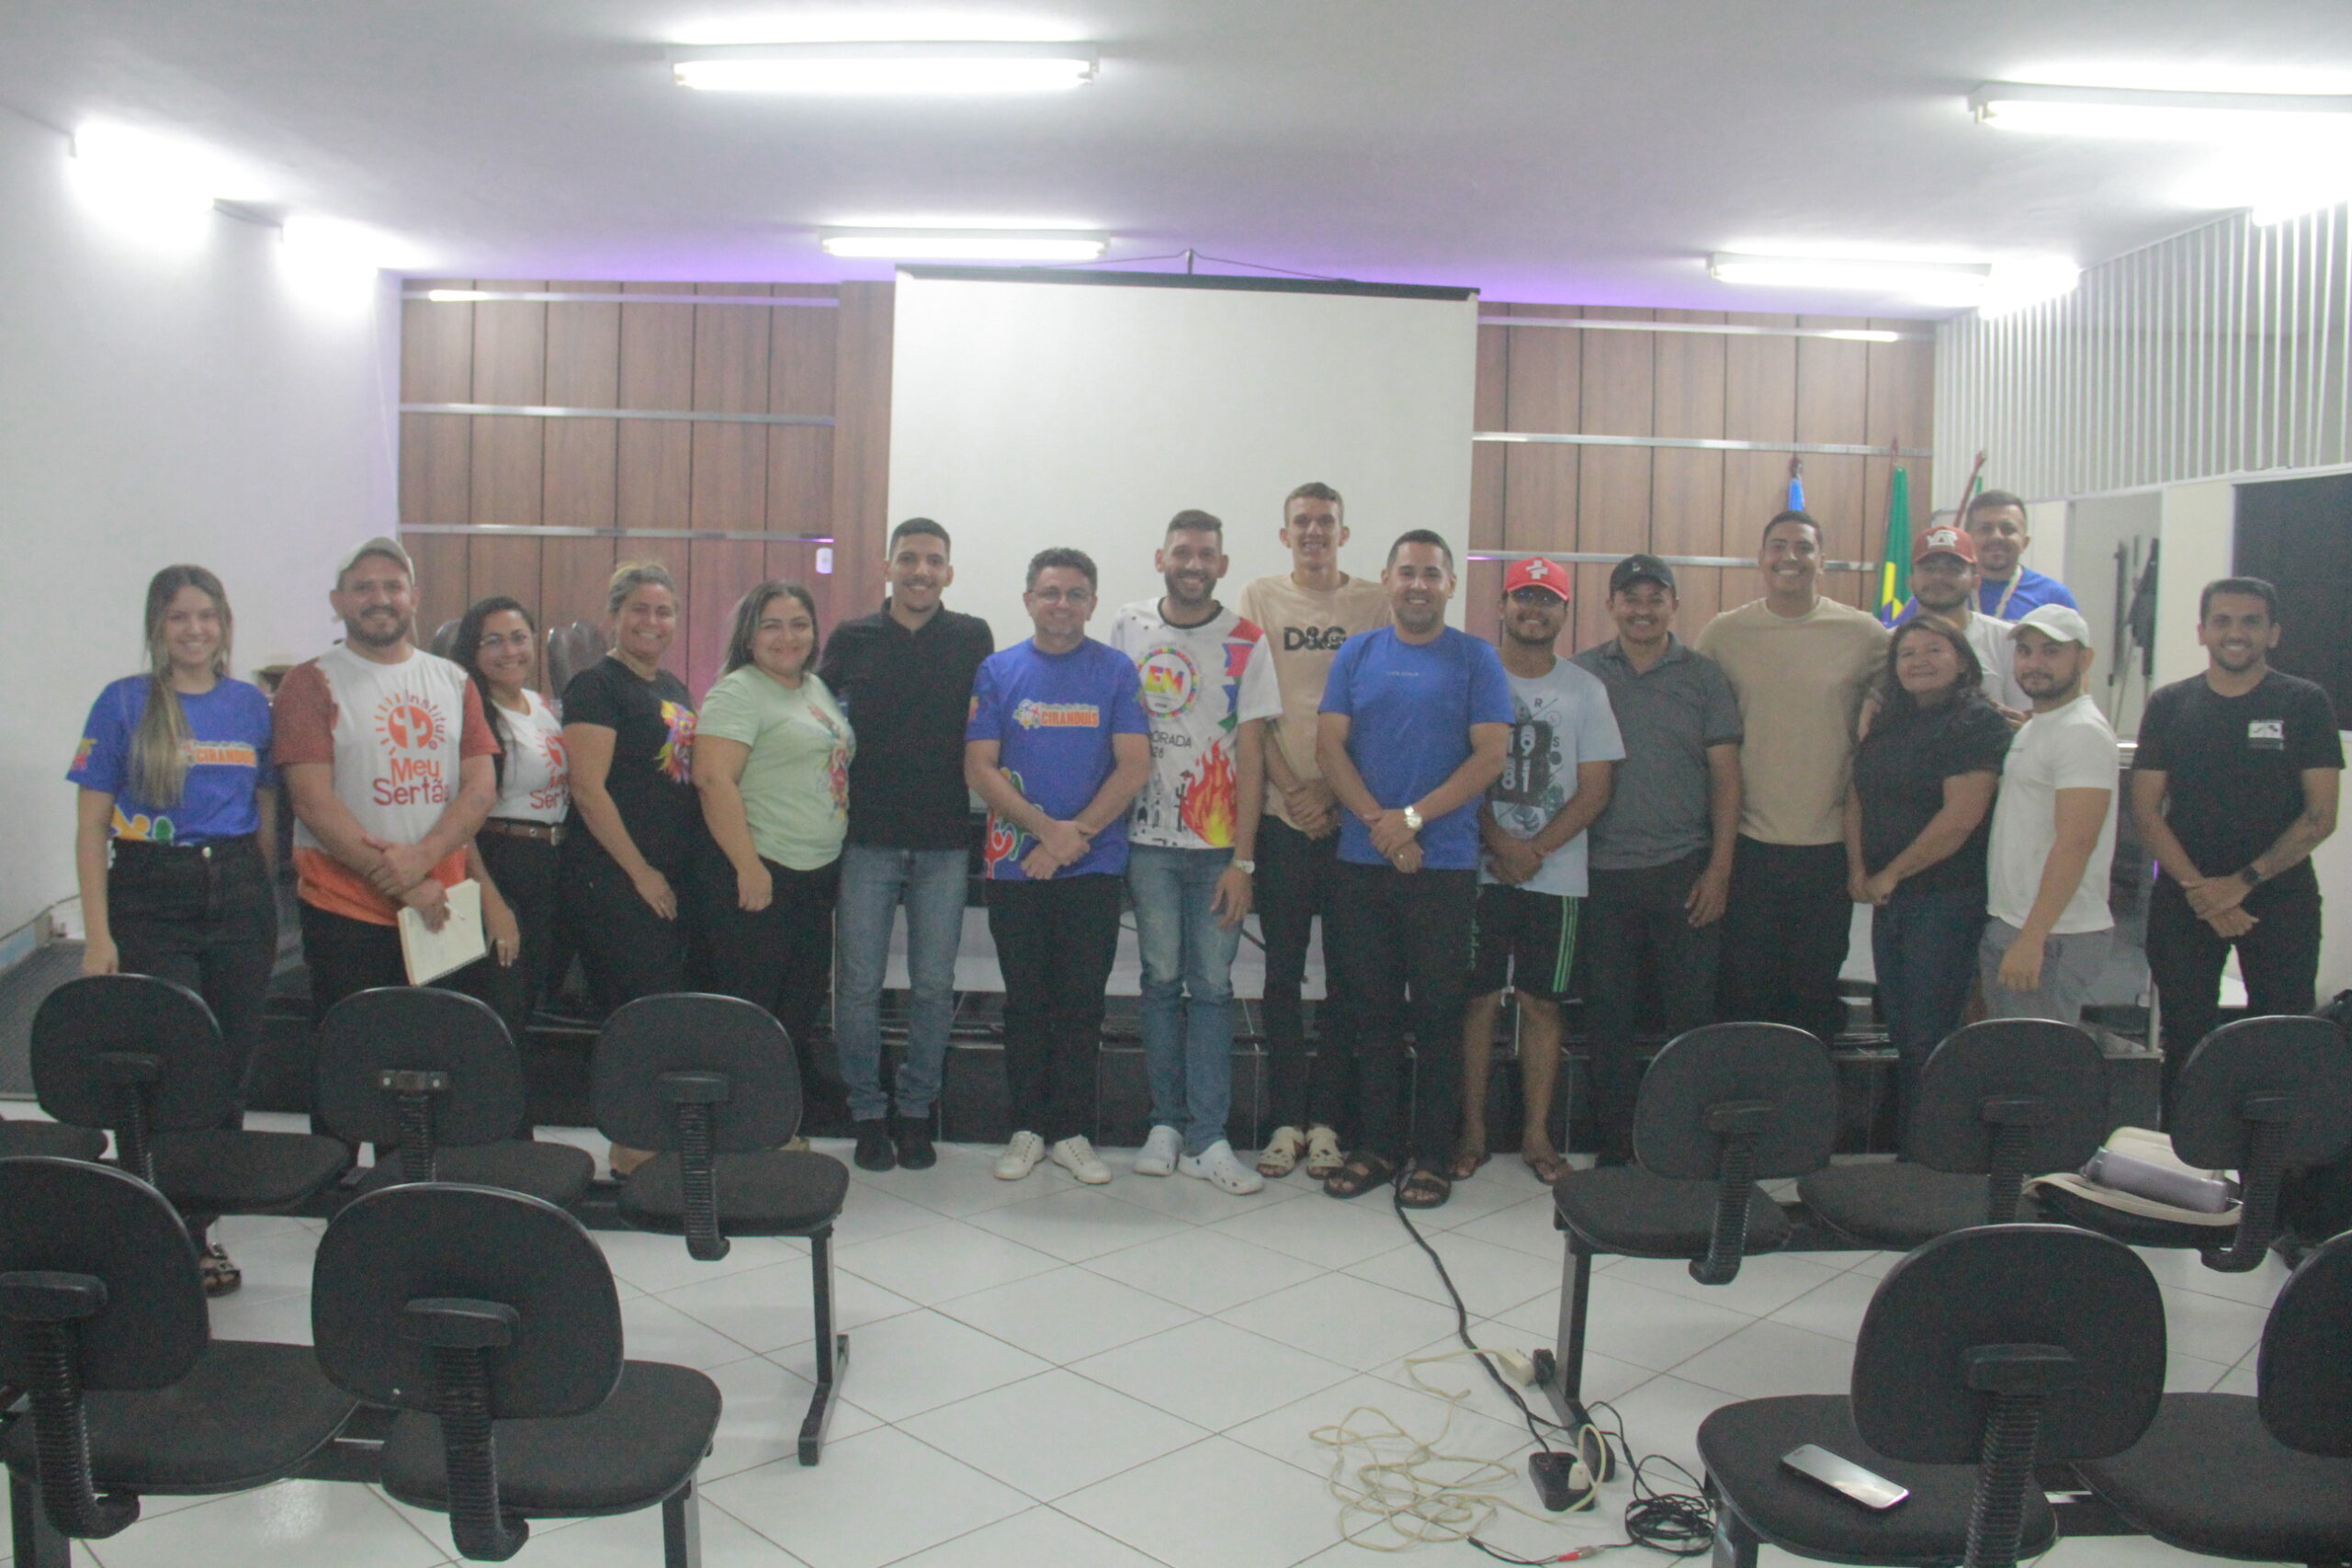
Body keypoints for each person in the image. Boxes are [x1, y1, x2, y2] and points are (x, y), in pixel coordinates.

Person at [70, 565, 278, 1294]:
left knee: (231, 1060)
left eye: (208, 617)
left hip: (241, 895)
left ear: (224, 624)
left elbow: (264, 814)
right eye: (179, 617)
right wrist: (98, 936)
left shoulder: (251, 704)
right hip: (151, 892)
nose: (195, 631)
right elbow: (92, 826)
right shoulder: (124, 702)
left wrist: (266, 900)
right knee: (176, 1059)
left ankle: (197, 1227)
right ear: (158, 625)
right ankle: (156, 1227)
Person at [1316, 530, 1511, 1209]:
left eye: (1432, 573)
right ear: (1387, 580)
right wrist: (1382, 824)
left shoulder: (1475, 659)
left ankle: (1431, 1153)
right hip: (1361, 864)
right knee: (1369, 1012)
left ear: (1451, 584)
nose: (1418, 584)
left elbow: (1489, 755)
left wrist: (1414, 820)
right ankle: (1377, 1144)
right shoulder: (1358, 653)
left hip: (1444, 864)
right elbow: (1329, 746)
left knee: (1436, 1013)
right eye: (1407, 572)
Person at [965, 547, 1150, 1185]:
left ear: (1092, 604)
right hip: (1015, 868)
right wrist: (1046, 832)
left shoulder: (1117, 671)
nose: (1061, 604)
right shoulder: (997, 670)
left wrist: (1078, 836)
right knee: (1026, 1000)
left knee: (1079, 1002)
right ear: (1028, 600)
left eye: (1075, 594)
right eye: (1049, 593)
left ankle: (1070, 1130)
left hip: (1093, 870)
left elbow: (1134, 764)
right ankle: (1025, 1127)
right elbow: (979, 766)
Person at [1111, 511, 1283, 1196]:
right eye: (1182, 551)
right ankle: (1166, 1124)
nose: (1192, 562)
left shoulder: (1246, 640)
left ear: (1222, 563)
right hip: (1146, 842)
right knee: (1157, 983)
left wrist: (1244, 860)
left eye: (1205, 553)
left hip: (1216, 849)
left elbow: (1252, 749)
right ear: (1161, 557)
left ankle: (1210, 1136)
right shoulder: (1126, 626)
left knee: (1212, 988)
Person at [818, 518, 994, 1173]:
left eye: (935, 560)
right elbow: (819, 714)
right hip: (864, 839)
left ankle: (916, 1112)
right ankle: (868, 1112)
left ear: (949, 571)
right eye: (910, 558)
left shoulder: (972, 637)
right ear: (887, 566)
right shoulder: (851, 638)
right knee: (857, 984)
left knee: (933, 983)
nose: (922, 570)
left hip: (945, 840)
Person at [2131, 577, 2342, 1110]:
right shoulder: (2170, 704)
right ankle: (2183, 1168)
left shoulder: (2305, 702)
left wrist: (2242, 884)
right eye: (2222, 620)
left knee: (2280, 1041)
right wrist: (2202, 890)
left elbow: (2321, 818)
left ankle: (2273, 1178)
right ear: (2202, 631)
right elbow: (2146, 812)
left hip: (2279, 898)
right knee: (2186, 1042)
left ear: (2273, 633)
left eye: (2250, 621)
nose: (2235, 632)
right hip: (2187, 899)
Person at [1235, 481, 1390, 1180]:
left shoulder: (1375, 603)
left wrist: (1334, 788)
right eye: (1302, 522)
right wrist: (1295, 791)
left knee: (1351, 977)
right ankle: (1283, 1121)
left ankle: (1328, 1122)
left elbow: (1385, 708)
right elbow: (1253, 713)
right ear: (1284, 532)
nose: (1314, 532)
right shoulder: (1260, 598)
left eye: (1326, 522)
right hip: (1282, 818)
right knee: (1282, 973)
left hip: (1352, 819)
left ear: (1344, 533)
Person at [276, 537, 497, 1019]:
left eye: (393, 586)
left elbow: (480, 789)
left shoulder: (454, 681)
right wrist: (404, 884)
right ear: (339, 603)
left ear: (414, 597)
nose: (380, 598)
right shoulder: (309, 682)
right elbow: (313, 803)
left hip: (439, 908)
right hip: (345, 911)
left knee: (437, 1056)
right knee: (355, 1060)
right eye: (363, 587)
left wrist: (422, 860)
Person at [1454, 558, 1622, 1186]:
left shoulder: (1585, 690)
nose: (1534, 609)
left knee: (1541, 1003)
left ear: (1563, 613)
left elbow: (1596, 787)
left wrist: (1534, 850)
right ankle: (1471, 1131)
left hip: (1557, 878)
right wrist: (1499, 841)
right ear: (1501, 605)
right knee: (1476, 1001)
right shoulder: (1473, 676)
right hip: (1478, 870)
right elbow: (1453, 770)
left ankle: (1536, 1135)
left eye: (1548, 600)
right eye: (1524, 596)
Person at [1570, 554, 1742, 1166]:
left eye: (1655, 598)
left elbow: (1725, 778)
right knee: (1607, 1017)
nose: (1642, 610)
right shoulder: (1582, 674)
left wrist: (1720, 868)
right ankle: (1615, 1145)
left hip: (1684, 870)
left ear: (1673, 605)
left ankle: (1688, 1141)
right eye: (1630, 598)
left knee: (1690, 1015)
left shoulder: (1703, 677)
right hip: (1600, 873)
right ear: (1611, 604)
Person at [1695, 512, 1890, 1047]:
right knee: (1745, 994)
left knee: (1812, 995)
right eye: (1778, 546)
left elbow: (1921, 679)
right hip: (1747, 844)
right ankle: (1746, 1116)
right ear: (1760, 559)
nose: (1790, 557)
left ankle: (1808, 1117)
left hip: (1827, 847)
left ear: (1821, 560)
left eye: (1803, 547)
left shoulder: (1864, 633)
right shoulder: (1724, 633)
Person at [692, 582, 854, 1131]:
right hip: (761, 872)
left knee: (796, 1008)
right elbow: (713, 780)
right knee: (754, 1014)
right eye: (772, 625)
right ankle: (744, 1132)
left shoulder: (813, 687)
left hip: (814, 875)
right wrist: (748, 866)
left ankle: (774, 1125)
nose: (789, 637)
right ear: (749, 635)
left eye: (800, 624)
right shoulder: (739, 692)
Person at [560, 561, 698, 1177]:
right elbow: (588, 790)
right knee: (629, 1014)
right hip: (616, 878)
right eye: (639, 608)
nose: (652, 620)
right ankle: (629, 1147)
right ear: (613, 616)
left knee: (658, 1009)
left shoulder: (673, 687)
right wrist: (640, 871)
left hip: (665, 877)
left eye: (663, 610)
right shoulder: (595, 686)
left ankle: (649, 1133)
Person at [1845, 616, 2010, 1128]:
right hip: (1888, 900)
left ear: (1961, 659)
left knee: (1929, 1032)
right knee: (1898, 1025)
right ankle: (1911, 1144)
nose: (1919, 660)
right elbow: (1857, 793)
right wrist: (1857, 868)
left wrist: (1891, 873)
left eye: (1934, 649)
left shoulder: (1977, 723)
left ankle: (1933, 1148)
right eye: (1907, 653)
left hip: (1945, 898)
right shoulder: (1890, 720)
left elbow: (1960, 818)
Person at [1980, 605, 2117, 1026]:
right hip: (2017, 922)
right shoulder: (2041, 725)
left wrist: (2032, 938)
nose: (2034, 663)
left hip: (2052, 933)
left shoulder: (2081, 733)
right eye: (2025, 651)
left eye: (2051, 651)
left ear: (2085, 659)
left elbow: (2076, 843)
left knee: (2038, 1070)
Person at [452, 596, 569, 1045]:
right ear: (473, 652)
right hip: (498, 861)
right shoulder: (470, 713)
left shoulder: (541, 706)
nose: (510, 651)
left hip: (548, 863)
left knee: (529, 1002)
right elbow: (457, 815)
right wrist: (491, 903)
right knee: (501, 1007)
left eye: (519, 638)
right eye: (493, 642)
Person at [1904, 525, 2029, 716]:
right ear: (1910, 582)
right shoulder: (1890, 643)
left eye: (1953, 569)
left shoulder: (2007, 639)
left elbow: (2026, 715)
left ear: (1975, 581)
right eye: (1929, 569)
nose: (1938, 577)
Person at [1963, 490, 2078, 621]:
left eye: (2008, 529)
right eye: (1985, 529)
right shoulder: (1953, 592)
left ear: (2025, 542)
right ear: (1968, 539)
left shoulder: (2054, 597)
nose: (1996, 536)